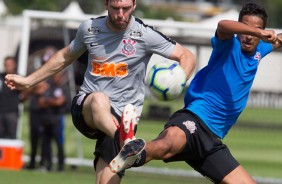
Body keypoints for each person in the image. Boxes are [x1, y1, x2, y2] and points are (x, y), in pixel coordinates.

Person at [5, 0, 196, 183]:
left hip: (123, 114)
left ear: (134, 4)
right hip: (87, 108)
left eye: (126, 8)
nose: (121, 14)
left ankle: (124, 142)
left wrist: (178, 80)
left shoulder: (144, 34)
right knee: (99, 99)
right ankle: (126, 140)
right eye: (115, 8)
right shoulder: (89, 29)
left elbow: (186, 55)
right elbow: (64, 57)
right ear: (106, 4)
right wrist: (29, 81)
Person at [110, 2, 282, 184]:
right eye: (245, 29)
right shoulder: (229, 45)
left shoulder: (260, 50)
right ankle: (133, 151)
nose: (249, 35)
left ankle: (134, 152)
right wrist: (259, 32)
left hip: (212, 141)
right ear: (238, 29)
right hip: (195, 119)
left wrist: (267, 36)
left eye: (255, 31)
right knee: (167, 144)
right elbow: (223, 25)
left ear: (263, 33)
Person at [38, 71, 67, 172]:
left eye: (57, 76)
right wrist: (53, 101)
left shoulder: (63, 88)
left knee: (59, 143)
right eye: (54, 76)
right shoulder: (47, 87)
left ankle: (61, 166)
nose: (55, 78)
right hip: (46, 120)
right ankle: (48, 165)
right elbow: (41, 103)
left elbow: (60, 102)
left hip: (57, 119)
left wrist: (48, 101)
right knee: (46, 143)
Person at [0, 56, 21, 139]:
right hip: (0, 111)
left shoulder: (18, 78)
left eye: (9, 64)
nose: (7, 66)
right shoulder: (1, 76)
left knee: (11, 136)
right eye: (6, 64)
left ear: (14, 65)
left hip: (12, 112)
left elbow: (25, 93)